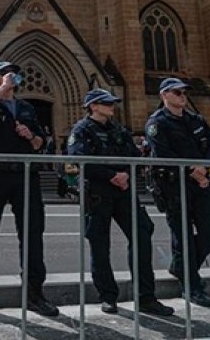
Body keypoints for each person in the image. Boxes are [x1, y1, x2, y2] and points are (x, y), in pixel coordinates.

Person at [66, 89, 174, 316]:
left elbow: (134, 155)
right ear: (93, 106)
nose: (112, 106)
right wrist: (111, 176)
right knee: (100, 245)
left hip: (123, 192)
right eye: (106, 103)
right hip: (98, 193)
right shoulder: (81, 130)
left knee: (142, 234)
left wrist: (125, 174)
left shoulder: (119, 130)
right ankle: (108, 296)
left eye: (112, 102)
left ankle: (145, 297)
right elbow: (79, 159)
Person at [0, 61, 58, 320]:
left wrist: (31, 136)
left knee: (32, 234)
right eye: (3, 74)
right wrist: (3, 88)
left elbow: (40, 143)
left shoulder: (27, 107)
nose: (10, 76)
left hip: (25, 176)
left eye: (13, 74)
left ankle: (35, 294)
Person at [145, 77, 210, 308]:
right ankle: (192, 286)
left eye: (184, 92)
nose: (182, 96)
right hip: (174, 186)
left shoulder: (196, 119)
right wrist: (193, 171)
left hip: (201, 183)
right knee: (183, 236)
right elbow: (164, 154)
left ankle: (180, 267)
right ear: (164, 95)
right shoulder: (157, 122)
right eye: (177, 92)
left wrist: (205, 169)